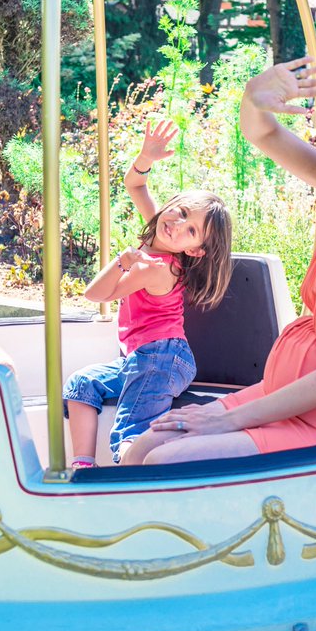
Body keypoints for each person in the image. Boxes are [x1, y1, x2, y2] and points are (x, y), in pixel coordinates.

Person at [123, 64, 316, 466]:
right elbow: (263, 131)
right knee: (145, 445)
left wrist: (226, 420)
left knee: (164, 460)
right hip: (283, 395)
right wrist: (253, 96)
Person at [63, 119, 233, 468]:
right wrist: (146, 157)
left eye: (190, 230)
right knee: (81, 385)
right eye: (180, 212)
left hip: (162, 357)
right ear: (172, 204)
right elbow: (135, 183)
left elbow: (96, 294)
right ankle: (82, 466)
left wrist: (122, 262)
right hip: (140, 357)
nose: (176, 225)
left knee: (129, 431)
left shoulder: (157, 266)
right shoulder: (160, 229)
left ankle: (138, 477)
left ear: (196, 250)